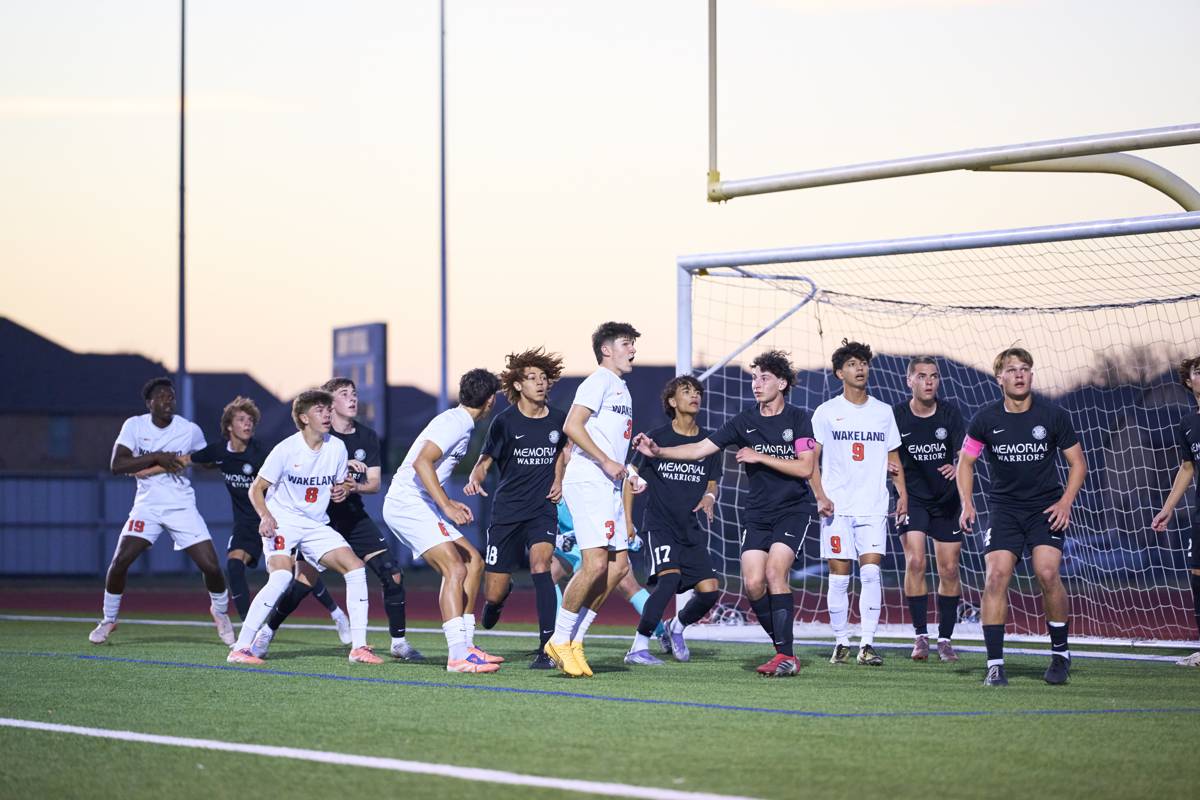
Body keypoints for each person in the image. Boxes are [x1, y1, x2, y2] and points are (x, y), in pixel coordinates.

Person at [634, 350, 817, 677]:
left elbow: (805, 467)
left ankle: (786, 655)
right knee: (753, 583)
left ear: (782, 383)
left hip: (792, 510)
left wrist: (760, 457)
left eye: (764, 378)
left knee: (776, 573)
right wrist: (660, 451)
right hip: (757, 513)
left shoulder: (799, 418)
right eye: (753, 378)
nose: (756, 384)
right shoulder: (744, 421)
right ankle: (782, 649)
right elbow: (699, 449)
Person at [252, 378, 422, 662]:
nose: (353, 399)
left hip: (353, 516)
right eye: (344, 394)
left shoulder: (367, 437)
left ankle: (398, 643)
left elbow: (374, 483)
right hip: (320, 519)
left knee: (392, 572)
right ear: (328, 405)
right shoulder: (318, 437)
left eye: (354, 393)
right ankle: (267, 630)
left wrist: (351, 486)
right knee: (303, 582)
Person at [958, 346, 1087, 687]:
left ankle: (1060, 655)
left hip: (1045, 510)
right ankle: (995, 665)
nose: (1019, 374)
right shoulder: (985, 419)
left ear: (1031, 374)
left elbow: (1078, 464)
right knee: (996, 577)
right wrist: (967, 503)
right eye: (1012, 369)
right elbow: (965, 463)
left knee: (1047, 572)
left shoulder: (1052, 415)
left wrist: (1065, 502)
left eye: (1025, 368)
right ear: (999, 378)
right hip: (1004, 511)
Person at [226, 389, 381, 665]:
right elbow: (256, 489)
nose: (327, 414)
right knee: (283, 577)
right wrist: (265, 516)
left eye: (328, 409)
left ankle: (358, 648)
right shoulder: (286, 449)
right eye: (320, 410)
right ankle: (240, 648)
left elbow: (338, 484)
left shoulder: (336, 448)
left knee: (356, 568)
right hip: (283, 520)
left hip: (315, 524)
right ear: (303, 417)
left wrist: (344, 489)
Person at [89, 377, 235, 647]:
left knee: (211, 566)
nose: (169, 401)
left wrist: (227, 454)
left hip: (181, 505)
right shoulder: (134, 426)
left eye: (172, 397)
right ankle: (109, 619)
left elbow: (204, 462)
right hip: (147, 506)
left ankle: (220, 612)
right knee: (120, 562)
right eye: (163, 397)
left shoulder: (189, 430)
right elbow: (117, 465)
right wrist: (157, 456)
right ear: (150, 403)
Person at [187, 396, 347, 633]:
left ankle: (336, 613)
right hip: (246, 523)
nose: (248, 424)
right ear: (229, 426)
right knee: (233, 564)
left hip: (277, 518)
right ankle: (246, 626)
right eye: (241, 419)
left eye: (251, 420)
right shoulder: (219, 451)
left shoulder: (263, 453)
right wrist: (146, 466)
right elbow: (184, 461)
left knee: (300, 571)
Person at [383, 369, 503, 673]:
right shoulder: (455, 422)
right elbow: (421, 462)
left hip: (420, 502)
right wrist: (446, 504)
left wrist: (446, 501)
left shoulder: (459, 422)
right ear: (490, 401)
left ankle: (468, 646)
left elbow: (431, 469)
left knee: (473, 561)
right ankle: (457, 656)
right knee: (455, 567)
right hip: (406, 503)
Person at [544, 322, 644, 678]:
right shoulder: (598, 381)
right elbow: (573, 425)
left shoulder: (621, 387)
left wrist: (628, 470)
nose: (633, 349)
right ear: (606, 349)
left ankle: (576, 640)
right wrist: (605, 461)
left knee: (618, 568)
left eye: (633, 344)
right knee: (595, 564)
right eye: (626, 343)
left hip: (610, 485)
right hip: (589, 482)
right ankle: (558, 639)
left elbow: (613, 446)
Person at [464, 348, 568, 669]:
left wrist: (559, 480)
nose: (540, 383)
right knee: (493, 593)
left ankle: (548, 648)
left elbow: (563, 453)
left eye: (544, 377)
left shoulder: (558, 419)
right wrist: (475, 476)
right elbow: (485, 461)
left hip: (542, 509)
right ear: (518, 385)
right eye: (532, 378)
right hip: (507, 512)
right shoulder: (504, 422)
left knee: (542, 566)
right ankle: (500, 596)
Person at [811, 340, 906, 668]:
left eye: (863, 362)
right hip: (837, 507)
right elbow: (811, 460)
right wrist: (820, 496)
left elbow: (894, 457)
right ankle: (841, 642)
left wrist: (902, 494)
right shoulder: (826, 412)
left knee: (870, 574)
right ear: (840, 372)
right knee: (839, 577)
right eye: (852, 363)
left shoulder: (884, 412)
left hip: (873, 505)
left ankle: (867, 643)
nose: (860, 368)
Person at [622, 376, 721, 665]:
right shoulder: (657, 439)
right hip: (660, 525)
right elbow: (631, 478)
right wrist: (628, 521)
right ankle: (638, 648)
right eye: (686, 391)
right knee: (669, 580)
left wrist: (710, 497)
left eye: (697, 392)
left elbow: (713, 481)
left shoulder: (708, 442)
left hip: (690, 528)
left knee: (709, 591)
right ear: (672, 402)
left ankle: (675, 628)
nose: (695, 396)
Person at [893, 357, 965, 662]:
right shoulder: (896, 415)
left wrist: (958, 466)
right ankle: (920, 636)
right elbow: (890, 458)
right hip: (913, 499)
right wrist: (901, 495)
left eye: (934, 376)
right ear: (909, 381)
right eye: (921, 376)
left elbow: (966, 456)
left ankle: (945, 639)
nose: (929, 381)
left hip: (946, 501)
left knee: (949, 568)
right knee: (916, 562)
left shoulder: (950, 414)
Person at [1151, 355, 1200, 667]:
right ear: (1188, 381)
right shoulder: (1188, 423)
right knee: (1197, 577)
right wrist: (1167, 508)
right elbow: (1187, 468)